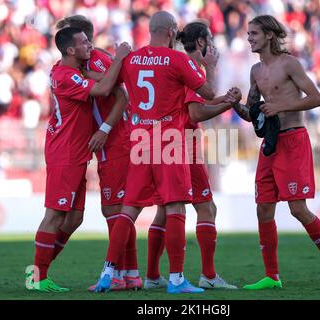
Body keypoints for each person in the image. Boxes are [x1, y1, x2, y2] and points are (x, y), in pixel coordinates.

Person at [91, 11, 218, 294]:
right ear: (172, 31)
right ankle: (176, 280)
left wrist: (115, 59)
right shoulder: (177, 59)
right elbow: (207, 94)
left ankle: (108, 273)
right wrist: (208, 66)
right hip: (169, 140)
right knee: (174, 207)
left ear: (151, 30)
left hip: (140, 140)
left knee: (129, 209)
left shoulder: (132, 59)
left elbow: (106, 86)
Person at [231, 15, 320, 290]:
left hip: (294, 140)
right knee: (263, 209)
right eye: (248, 34)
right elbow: (253, 114)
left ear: (269, 35)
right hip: (270, 144)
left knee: (297, 209)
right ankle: (272, 276)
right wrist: (235, 105)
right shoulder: (255, 72)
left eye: (254, 33)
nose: (249, 38)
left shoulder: (289, 63)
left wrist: (280, 106)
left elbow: (317, 98)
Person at [25, 27, 131, 292]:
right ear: (70, 50)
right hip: (65, 152)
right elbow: (106, 89)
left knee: (74, 219)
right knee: (55, 214)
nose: (90, 45)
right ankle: (37, 277)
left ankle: (38, 272)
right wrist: (118, 58)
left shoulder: (67, 70)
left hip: (76, 151)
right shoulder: (64, 76)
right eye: (84, 42)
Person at [144, 21, 239, 290]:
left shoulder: (177, 64)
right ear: (201, 43)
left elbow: (195, 104)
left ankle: (152, 276)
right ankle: (207, 275)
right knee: (205, 206)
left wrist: (222, 99)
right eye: (210, 38)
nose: (214, 44)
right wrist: (226, 104)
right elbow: (195, 113)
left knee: (164, 209)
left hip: (165, 139)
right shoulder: (191, 67)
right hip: (184, 141)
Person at [56, 15, 141, 292]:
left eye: (75, 38)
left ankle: (116, 274)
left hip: (116, 141)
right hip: (112, 143)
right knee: (117, 209)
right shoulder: (86, 66)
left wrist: (104, 128)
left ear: (83, 40)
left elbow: (121, 95)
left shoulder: (97, 61)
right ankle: (131, 273)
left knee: (114, 209)